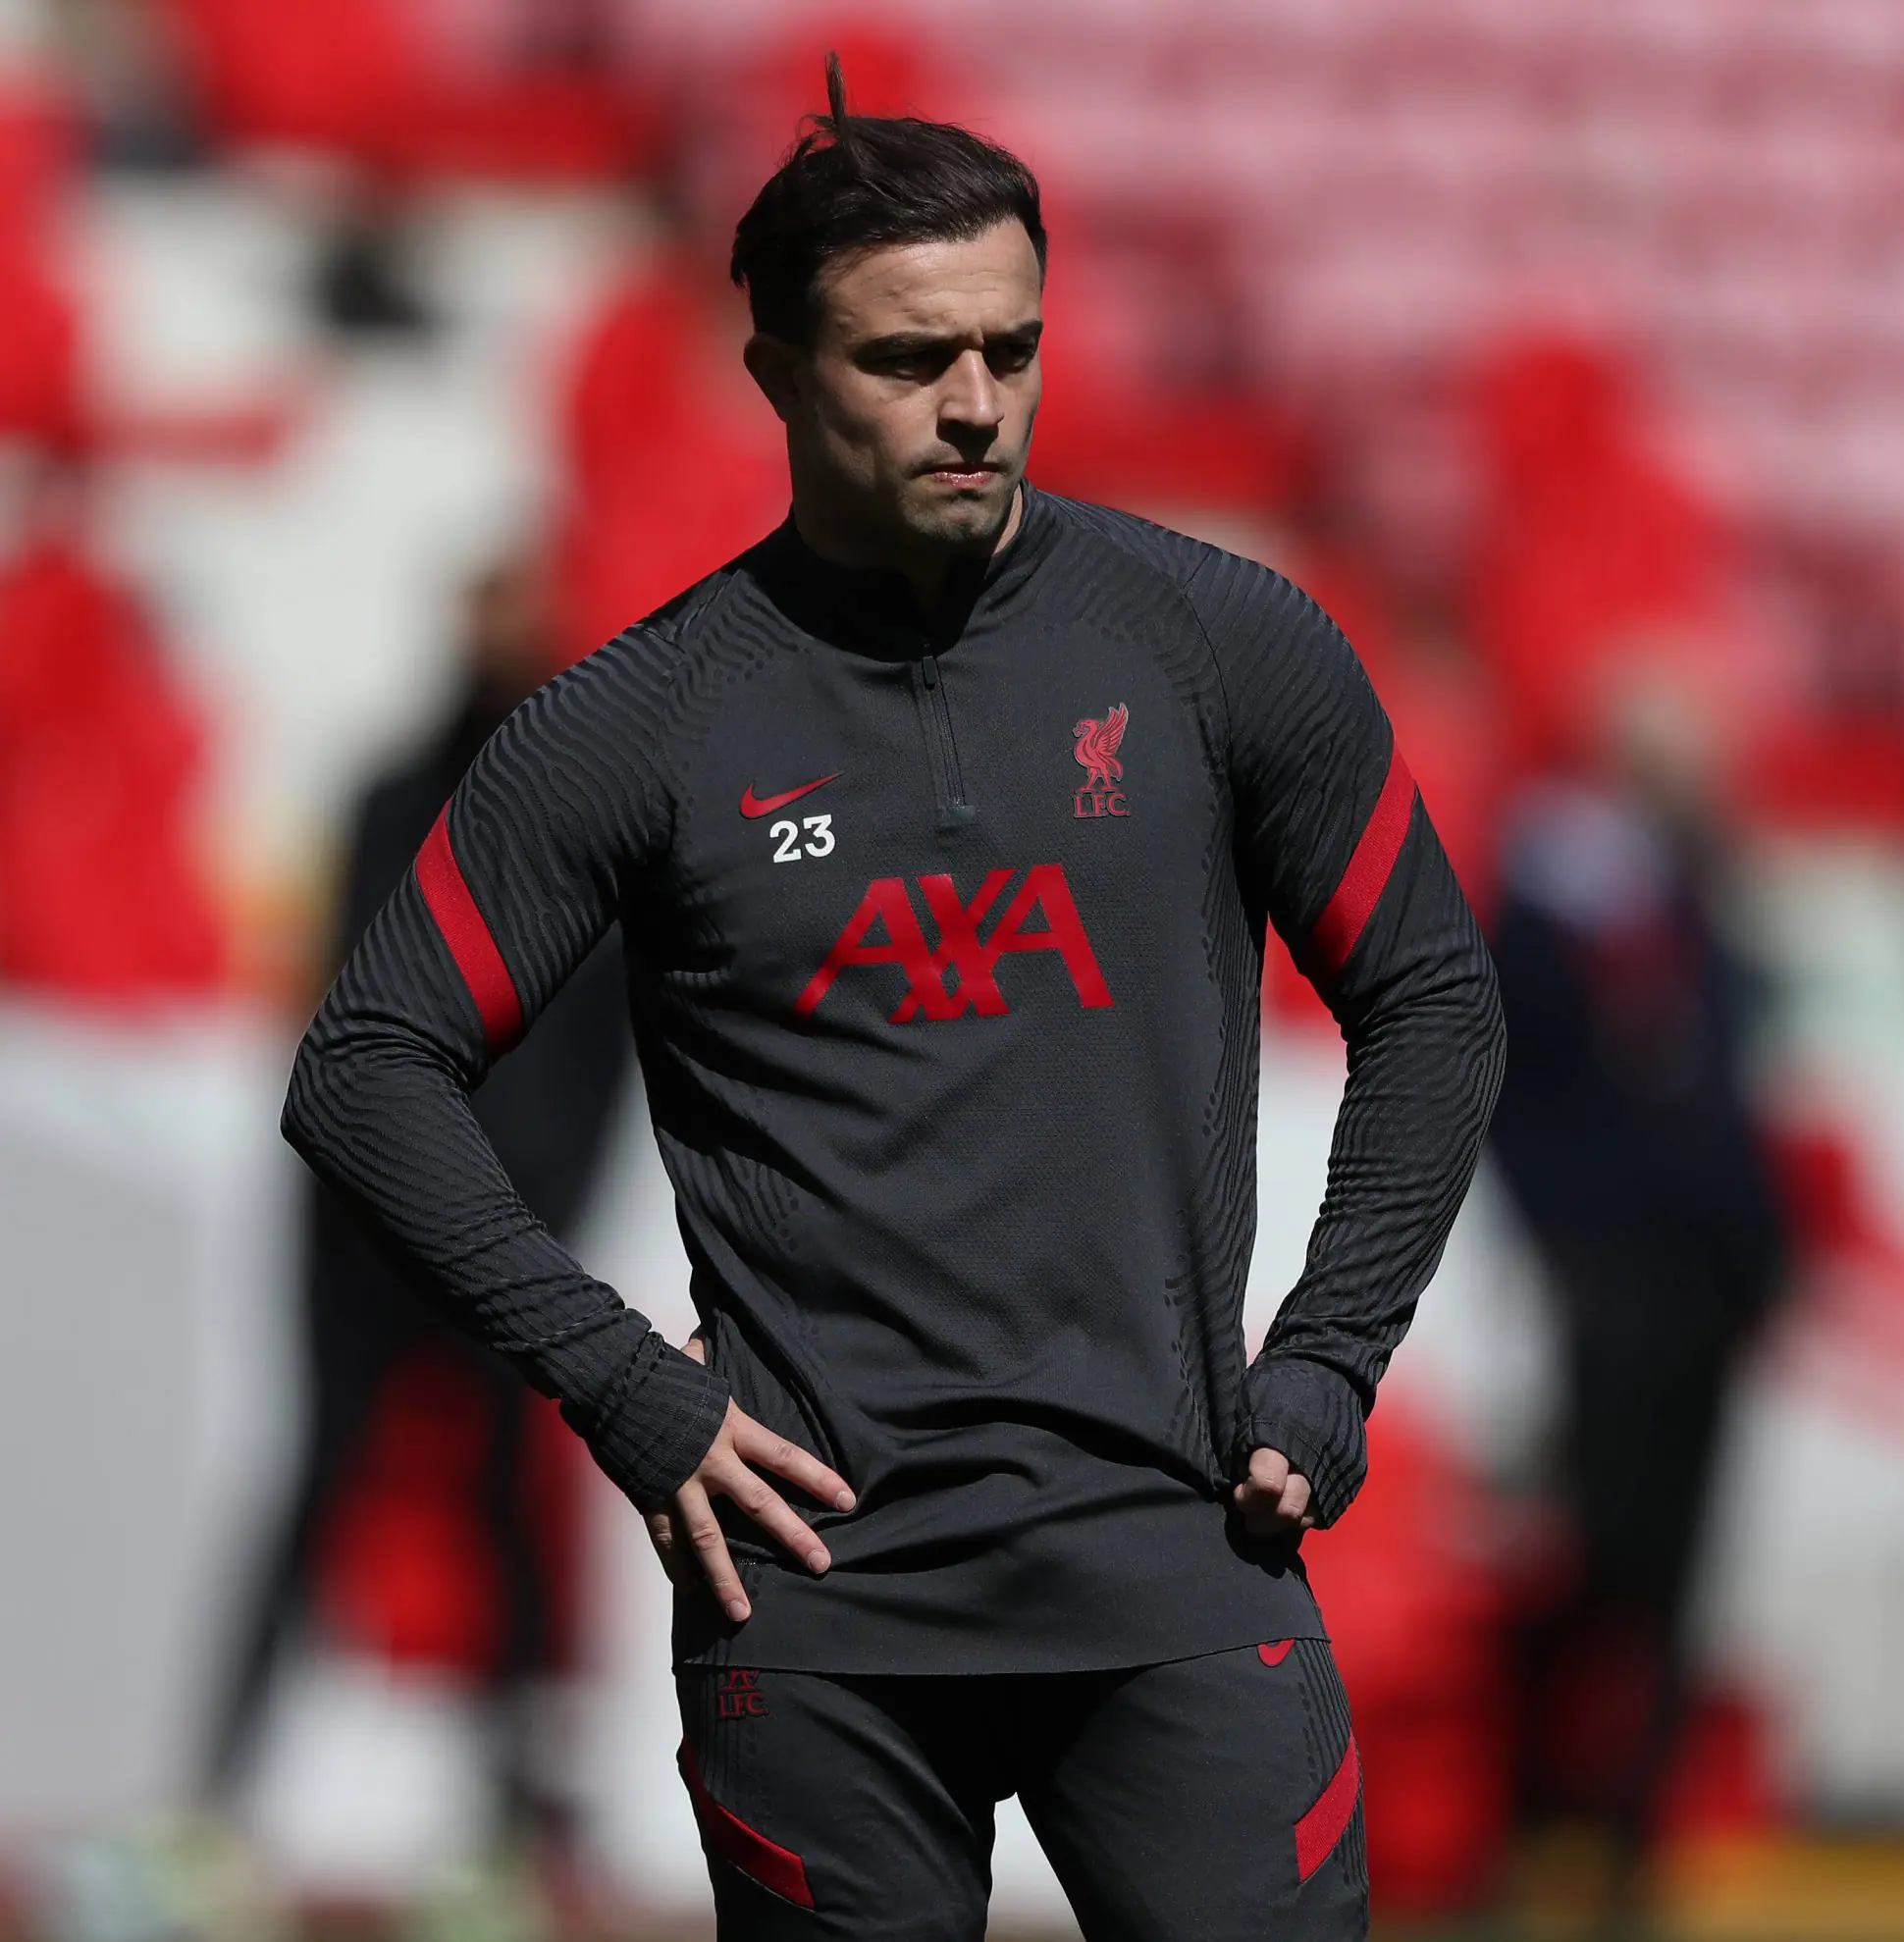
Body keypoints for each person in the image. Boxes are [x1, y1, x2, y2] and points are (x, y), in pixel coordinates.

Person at [281, 59, 1504, 1941]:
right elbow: (368, 1066)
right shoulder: (641, 721)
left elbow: (1431, 992)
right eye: (908, 358)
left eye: (1013, 348)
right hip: (817, 1613)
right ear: (775, 371)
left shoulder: (1219, 643)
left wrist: (1332, 1355)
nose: (976, 404)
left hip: (1182, 1564)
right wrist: (620, 1382)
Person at [208, 557, 635, 1840]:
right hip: (362, 1226)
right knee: (322, 1478)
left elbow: (604, 1063)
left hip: (506, 1228)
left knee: (511, 1498)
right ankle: (225, 1780)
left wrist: (543, 1223)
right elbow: (338, 1021)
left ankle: (526, 1804)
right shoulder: (390, 802)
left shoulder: (599, 835)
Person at [1483, 662, 1788, 1918]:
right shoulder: (1556, 894)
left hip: (1701, 1283)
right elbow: (1513, 1082)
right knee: (1584, 1560)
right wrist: (1569, 1243)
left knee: (1672, 1573)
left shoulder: (1694, 898)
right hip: (1610, 1284)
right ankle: (1528, 1820)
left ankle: (1629, 1840)